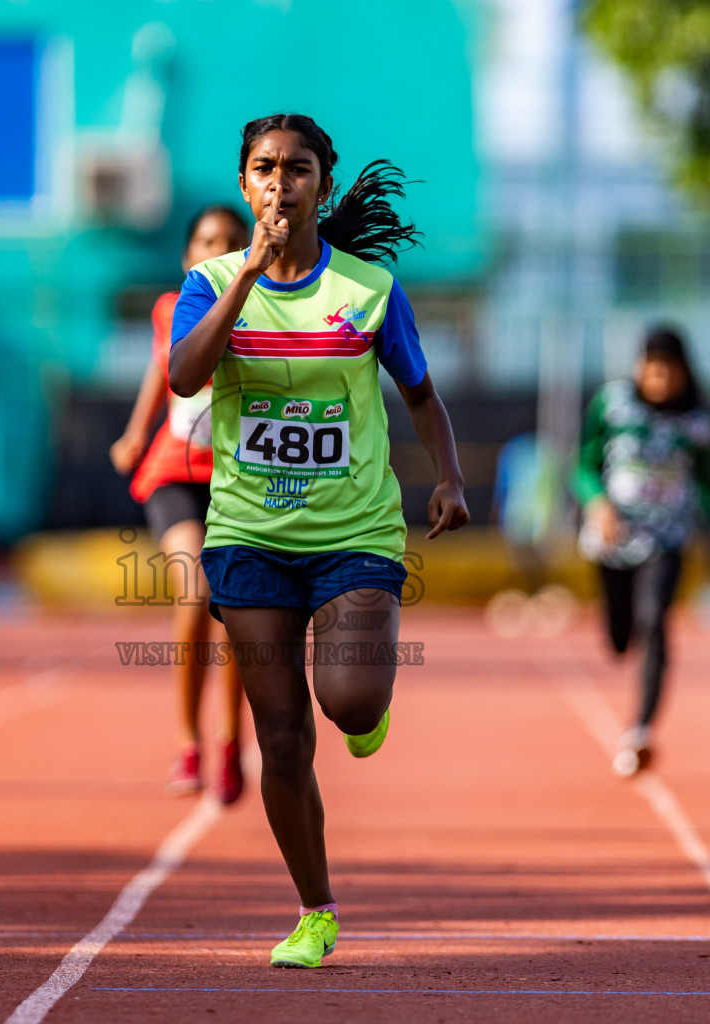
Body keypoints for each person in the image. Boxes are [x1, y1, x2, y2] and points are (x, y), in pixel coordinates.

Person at [168, 113, 468, 968]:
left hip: (355, 535)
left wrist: (447, 477)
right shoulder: (212, 282)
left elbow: (420, 396)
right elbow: (185, 377)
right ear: (244, 184)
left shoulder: (370, 291)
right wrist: (246, 278)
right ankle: (315, 911)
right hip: (248, 539)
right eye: (264, 169)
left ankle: (365, 709)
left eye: (297, 170)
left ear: (322, 187)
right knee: (284, 738)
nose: (279, 184)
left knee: (348, 702)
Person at [111, 205, 251, 804]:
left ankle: (229, 742)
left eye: (229, 242)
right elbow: (160, 369)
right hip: (175, 472)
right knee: (196, 593)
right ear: (188, 254)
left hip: (242, 481)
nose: (215, 249)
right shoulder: (171, 308)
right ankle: (188, 742)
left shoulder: (266, 311)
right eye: (204, 240)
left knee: (242, 616)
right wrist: (136, 432)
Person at [575, 325, 710, 777]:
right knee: (620, 639)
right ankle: (624, 634)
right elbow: (581, 465)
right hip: (613, 537)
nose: (657, 379)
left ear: (683, 373)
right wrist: (597, 502)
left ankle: (641, 730)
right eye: (650, 368)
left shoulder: (696, 424)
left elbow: (709, 484)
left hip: (667, 536)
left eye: (667, 371)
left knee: (655, 620)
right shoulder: (611, 404)